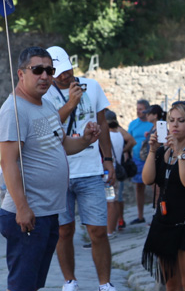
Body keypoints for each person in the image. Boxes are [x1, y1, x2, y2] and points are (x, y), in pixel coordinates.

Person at [0, 46, 101, 291]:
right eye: (38, 70)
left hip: (48, 212)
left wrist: (86, 139)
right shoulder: (14, 110)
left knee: (33, 284)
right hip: (28, 216)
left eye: (49, 70)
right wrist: (22, 208)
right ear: (21, 73)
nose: (45, 76)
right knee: (22, 284)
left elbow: (60, 144)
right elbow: (7, 161)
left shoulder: (44, 106)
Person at [44, 45, 117, 291]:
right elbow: (48, 128)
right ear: (50, 73)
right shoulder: (43, 95)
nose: (65, 76)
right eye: (59, 72)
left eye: (68, 70)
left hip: (90, 170)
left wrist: (108, 160)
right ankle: (69, 281)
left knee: (97, 230)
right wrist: (71, 103)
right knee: (64, 231)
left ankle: (105, 283)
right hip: (59, 172)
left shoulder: (92, 86)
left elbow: (103, 124)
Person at [141, 101, 185, 290]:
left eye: (181, 120)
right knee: (171, 283)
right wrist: (153, 150)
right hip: (164, 223)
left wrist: (180, 152)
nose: (174, 125)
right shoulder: (163, 151)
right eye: (171, 120)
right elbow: (148, 179)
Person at [104, 109, 136, 237]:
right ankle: (112, 229)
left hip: (106, 174)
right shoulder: (119, 135)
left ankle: (109, 231)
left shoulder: (107, 136)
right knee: (113, 200)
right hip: (115, 171)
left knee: (109, 202)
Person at [128, 99, 154, 225]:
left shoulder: (151, 124)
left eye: (141, 109)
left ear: (147, 110)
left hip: (150, 159)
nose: (138, 111)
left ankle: (157, 213)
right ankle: (140, 215)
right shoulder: (133, 124)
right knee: (139, 187)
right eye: (137, 108)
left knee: (155, 187)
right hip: (137, 159)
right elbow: (128, 140)